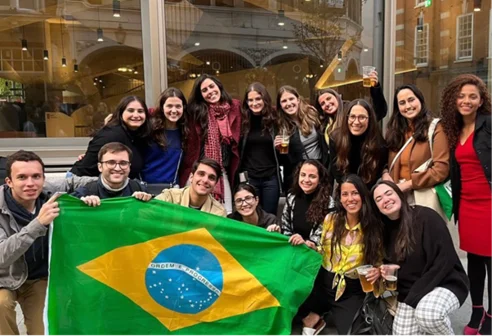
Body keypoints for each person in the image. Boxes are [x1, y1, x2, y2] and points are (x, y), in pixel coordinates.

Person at [372, 180, 469, 336]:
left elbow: (444, 261)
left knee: (428, 315)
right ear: (376, 207)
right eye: (379, 199)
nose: (385, 200)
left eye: (389, 193)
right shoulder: (384, 231)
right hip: (412, 291)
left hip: (445, 282)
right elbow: (399, 267)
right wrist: (390, 269)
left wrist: (415, 297)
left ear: (399, 194)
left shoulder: (426, 216)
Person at [440, 74, 492, 336]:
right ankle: (476, 310)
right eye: (461, 96)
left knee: (491, 260)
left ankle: (491, 317)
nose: (466, 101)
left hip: (490, 202)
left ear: (481, 100)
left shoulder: (490, 124)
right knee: (473, 260)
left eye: (472, 96)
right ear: (454, 99)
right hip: (467, 204)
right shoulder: (453, 129)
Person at [299, 174, 382, 336]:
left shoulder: (373, 227)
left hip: (350, 291)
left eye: (355, 193)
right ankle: (316, 316)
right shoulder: (331, 219)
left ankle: (318, 316)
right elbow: (322, 250)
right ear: (340, 198)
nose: (350, 198)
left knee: (356, 333)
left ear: (363, 195)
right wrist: (310, 246)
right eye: (345, 194)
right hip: (323, 283)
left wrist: (377, 271)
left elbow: (378, 262)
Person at [0, 150, 61, 335]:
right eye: (22, 177)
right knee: (1, 305)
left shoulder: (50, 198)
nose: (30, 183)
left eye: (36, 176)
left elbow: (84, 182)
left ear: (44, 178)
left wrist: (89, 197)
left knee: (43, 330)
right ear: (9, 181)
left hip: (38, 279)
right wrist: (37, 224)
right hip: (4, 278)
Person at [383, 84, 449, 213]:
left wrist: (407, 185)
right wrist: (385, 174)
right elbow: (384, 161)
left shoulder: (436, 128)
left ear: (420, 100)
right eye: (402, 103)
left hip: (422, 198)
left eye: (411, 100)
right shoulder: (395, 131)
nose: (408, 106)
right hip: (397, 199)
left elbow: (441, 169)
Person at [180, 75, 241, 213]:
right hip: (198, 171)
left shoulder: (234, 108)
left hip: (221, 171)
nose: (210, 91)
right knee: (191, 215)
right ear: (200, 95)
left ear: (219, 86)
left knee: (225, 212)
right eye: (204, 90)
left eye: (212, 86)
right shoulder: (195, 112)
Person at [70, 96, 152, 179]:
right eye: (130, 110)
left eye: (140, 111)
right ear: (121, 113)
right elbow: (85, 168)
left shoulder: (137, 135)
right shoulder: (111, 135)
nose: (136, 115)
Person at [238, 82, 282, 215]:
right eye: (250, 100)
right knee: (250, 215)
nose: (254, 103)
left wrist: (280, 149)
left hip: (271, 177)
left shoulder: (275, 120)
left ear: (265, 99)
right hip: (250, 178)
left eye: (258, 99)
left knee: (270, 216)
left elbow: (281, 156)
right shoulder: (243, 121)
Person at [315, 70, 388, 146]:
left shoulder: (351, 111)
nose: (327, 104)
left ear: (337, 97)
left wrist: (375, 88)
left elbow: (379, 111)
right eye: (322, 103)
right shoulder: (324, 124)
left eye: (329, 98)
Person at [275, 86, 327, 192]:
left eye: (291, 99)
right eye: (284, 101)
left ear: (298, 100)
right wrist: (278, 149)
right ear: (280, 105)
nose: (288, 103)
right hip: (298, 173)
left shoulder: (312, 114)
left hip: (319, 167)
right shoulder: (281, 125)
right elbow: (284, 159)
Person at [329, 99, 388, 190]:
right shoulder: (335, 138)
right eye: (352, 116)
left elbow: (376, 175)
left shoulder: (379, 144)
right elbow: (337, 172)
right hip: (345, 188)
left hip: (368, 190)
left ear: (370, 119)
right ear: (347, 118)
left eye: (362, 117)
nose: (356, 122)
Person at [72, 142, 152, 205]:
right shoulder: (86, 192)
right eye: (111, 162)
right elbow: (65, 208)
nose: (117, 168)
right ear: (100, 167)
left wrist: (146, 204)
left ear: (129, 166)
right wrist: (80, 204)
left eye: (123, 163)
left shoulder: (139, 189)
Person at [140, 88, 188, 187]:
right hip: (145, 189)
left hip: (171, 190)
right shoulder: (148, 129)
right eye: (169, 106)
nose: (174, 110)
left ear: (183, 108)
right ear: (162, 107)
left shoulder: (185, 131)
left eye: (178, 106)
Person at [281, 159, 333, 248]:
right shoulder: (291, 197)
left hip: (314, 253)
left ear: (320, 179)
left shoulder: (329, 203)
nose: (306, 180)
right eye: (303, 175)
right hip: (292, 247)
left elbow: (322, 237)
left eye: (312, 176)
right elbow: (285, 227)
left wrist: (305, 243)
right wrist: (292, 239)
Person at [157, 158, 226, 217]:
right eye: (201, 174)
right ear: (191, 177)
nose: (205, 180)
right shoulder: (170, 197)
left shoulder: (218, 212)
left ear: (215, 185)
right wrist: (146, 199)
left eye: (211, 178)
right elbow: (149, 212)